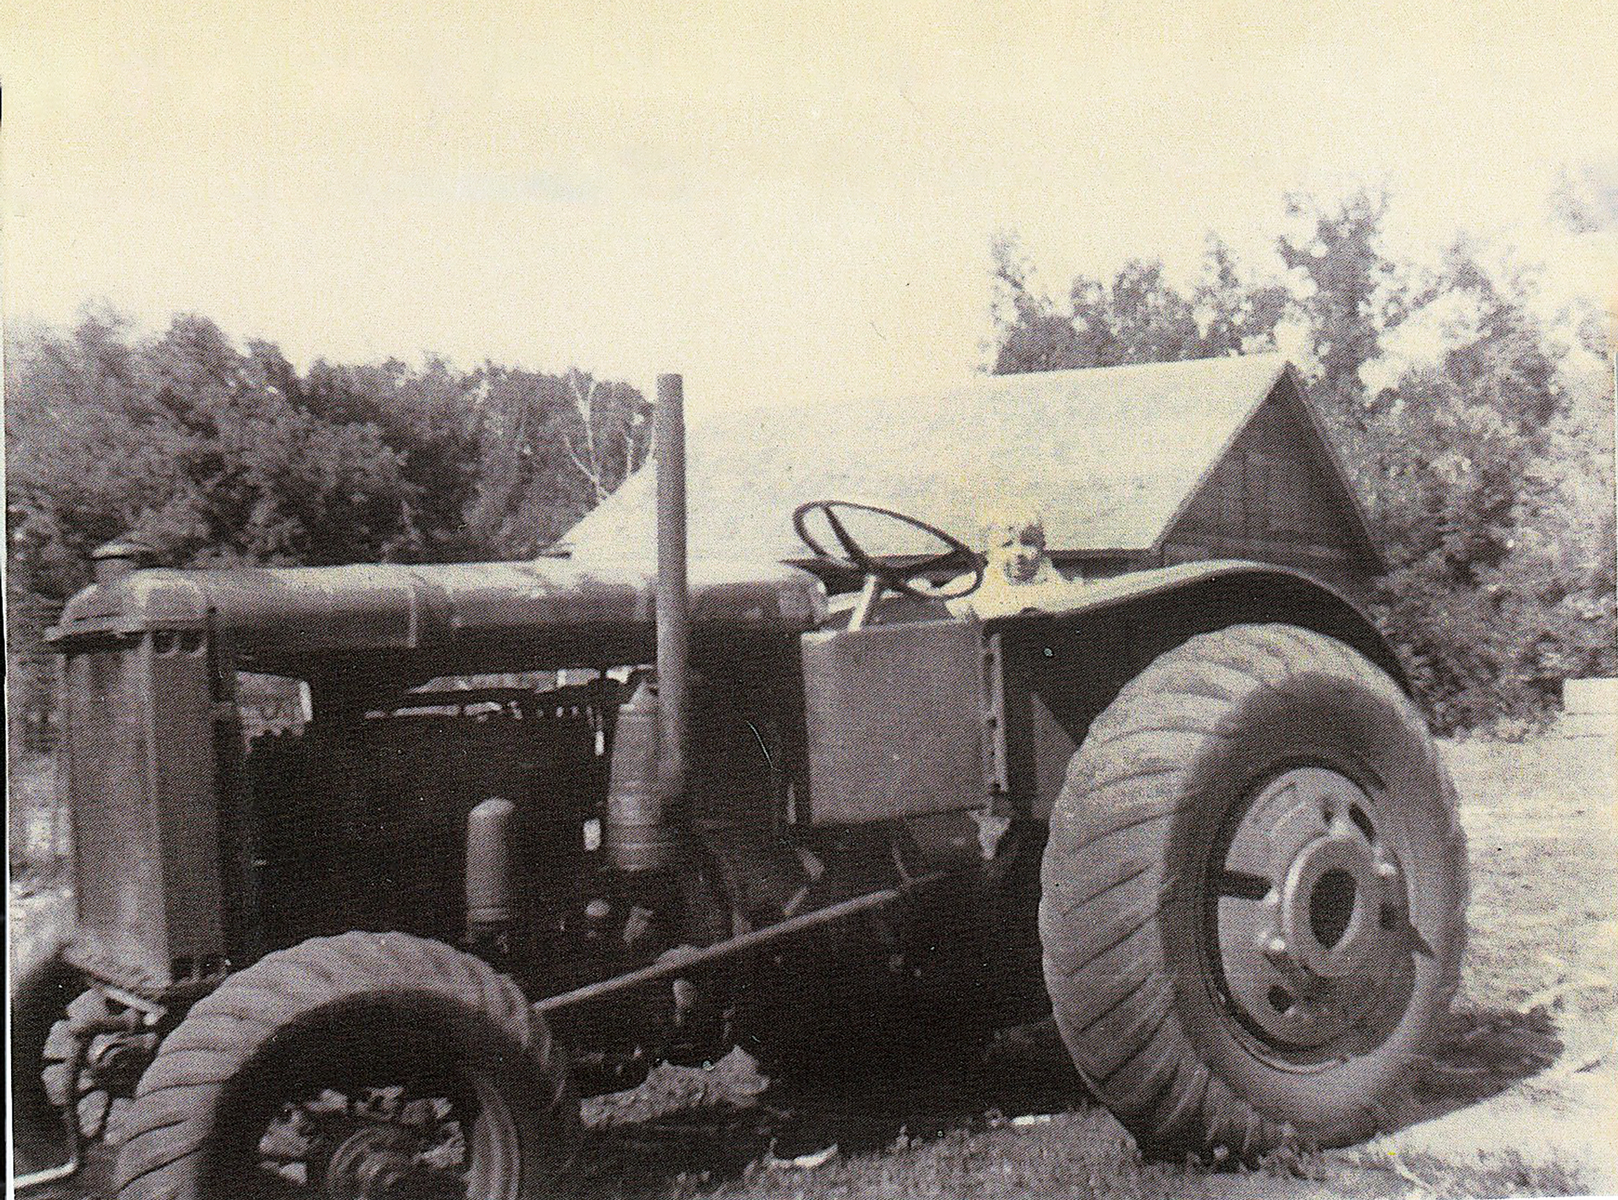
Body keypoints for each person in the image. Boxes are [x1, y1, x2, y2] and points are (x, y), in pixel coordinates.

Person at [948, 507, 1085, 619]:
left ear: (1042, 546)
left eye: (1028, 543)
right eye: (1006, 545)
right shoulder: (968, 587)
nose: (1018, 552)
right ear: (988, 553)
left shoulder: (1061, 588)